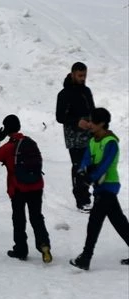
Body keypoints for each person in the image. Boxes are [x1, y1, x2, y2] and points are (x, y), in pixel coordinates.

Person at [0, 115, 52, 263]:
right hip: (36, 185)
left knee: (19, 218)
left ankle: (21, 249)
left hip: (18, 188)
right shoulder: (30, 142)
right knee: (36, 217)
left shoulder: (8, 147)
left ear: (6, 129)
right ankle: (44, 245)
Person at [70, 108, 129, 270]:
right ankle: (85, 258)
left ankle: (85, 258)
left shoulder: (110, 142)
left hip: (108, 186)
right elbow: (86, 159)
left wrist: (90, 179)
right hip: (99, 187)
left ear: (102, 124)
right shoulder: (92, 141)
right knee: (119, 222)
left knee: (94, 221)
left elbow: (105, 165)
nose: (89, 124)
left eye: (92, 122)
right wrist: (82, 172)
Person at [56, 62, 95, 211]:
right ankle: (82, 200)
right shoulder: (64, 94)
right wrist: (77, 121)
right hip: (74, 136)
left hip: (89, 134)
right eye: (80, 75)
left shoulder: (86, 91)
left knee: (91, 166)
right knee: (79, 167)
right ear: (72, 74)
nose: (83, 78)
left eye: (84, 75)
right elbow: (60, 117)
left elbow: (92, 109)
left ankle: (88, 195)